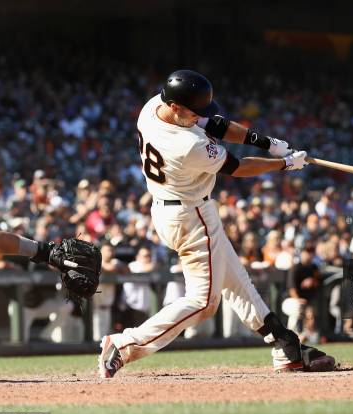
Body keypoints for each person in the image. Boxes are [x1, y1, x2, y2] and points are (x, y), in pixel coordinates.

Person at [98, 69, 335, 378]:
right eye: (193, 111)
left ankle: (284, 345)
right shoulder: (187, 145)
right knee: (203, 302)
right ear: (176, 108)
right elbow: (238, 166)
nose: (200, 117)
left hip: (178, 208)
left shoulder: (153, 107)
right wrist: (284, 164)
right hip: (189, 216)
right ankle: (124, 343)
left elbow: (216, 125)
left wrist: (267, 142)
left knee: (236, 281)